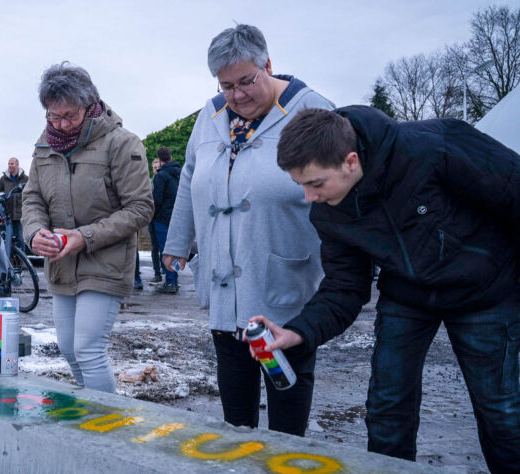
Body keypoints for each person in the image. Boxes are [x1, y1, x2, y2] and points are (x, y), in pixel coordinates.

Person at [251, 106, 520, 471]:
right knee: (387, 408)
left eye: (316, 183)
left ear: (350, 161)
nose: (309, 197)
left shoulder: (435, 147)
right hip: (406, 296)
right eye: (301, 185)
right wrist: (298, 332)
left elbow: (514, 192)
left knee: (501, 411)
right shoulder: (329, 210)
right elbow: (344, 287)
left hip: (485, 292)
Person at [161, 24, 334, 436]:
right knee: (235, 410)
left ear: (267, 65)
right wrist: (178, 240)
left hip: (283, 279)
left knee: (287, 409)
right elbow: (190, 177)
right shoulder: (210, 115)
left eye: (246, 81)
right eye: (226, 86)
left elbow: (339, 192)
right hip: (225, 284)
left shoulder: (313, 110)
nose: (237, 95)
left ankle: (286, 458)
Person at [22, 62, 153, 393]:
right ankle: (89, 411)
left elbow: (141, 207)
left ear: (90, 105)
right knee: (68, 348)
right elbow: (32, 197)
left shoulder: (122, 143)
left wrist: (85, 237)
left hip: (105, 262)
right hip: (61, 263)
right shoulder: (44, 146)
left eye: (71, 115)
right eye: (54, 116)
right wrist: (35, 232)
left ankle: (102, 421)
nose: (62, 124)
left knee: (88, 349)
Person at [152, 146, 181, 294]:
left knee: (165, 249)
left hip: (162, 217)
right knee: (174, 249)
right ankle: (174, 279)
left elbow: (156, 199)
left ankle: (170, 281)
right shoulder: (179, 173)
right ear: (170, 157)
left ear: (160, 159)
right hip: (177, 216)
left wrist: (153, 215)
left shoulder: (161, 176)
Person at [0, 157, 29, 250]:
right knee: (9, 238)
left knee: (21, 238)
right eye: (9, 164)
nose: (10, 165)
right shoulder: (3, 179)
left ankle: (22, 258)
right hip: (8, 214)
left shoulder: (26, 179)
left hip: (21, 214)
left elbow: (30, 194)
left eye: (12, 164)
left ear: (17, 165)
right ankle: (9, 258)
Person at [148, 159, 164, 284]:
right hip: (153, 218)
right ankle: (157, 273)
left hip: (163, 218)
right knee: (155, 248)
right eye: (154, 168)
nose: (156, 170)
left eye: (158, 167)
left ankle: (168, 274)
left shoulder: (165, 179)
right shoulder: (150, 182)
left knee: (166, 248)